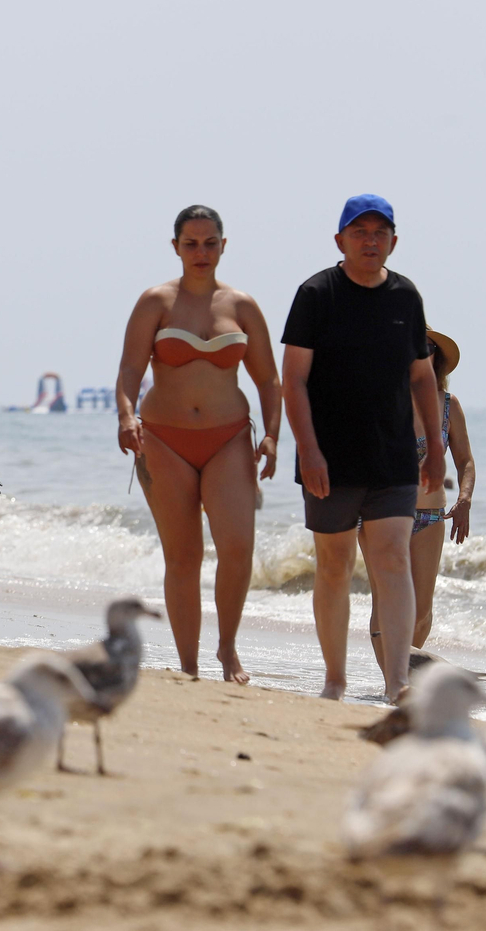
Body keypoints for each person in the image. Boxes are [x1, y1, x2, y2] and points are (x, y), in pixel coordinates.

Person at [282, 194, 443, 704]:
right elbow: (294, 381)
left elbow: (422, 376)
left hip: (394, 456)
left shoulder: (406, 297)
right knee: (333, 565)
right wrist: (308, 451)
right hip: (328, 457)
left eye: (380, 233)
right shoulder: (316, 294)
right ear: (340, 241)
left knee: (392, 559)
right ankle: (334, 679)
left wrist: (436, 448)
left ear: (393, 241)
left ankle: (397, 683)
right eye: (360, 232)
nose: (370, 241)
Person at [115, 206, 282, 685]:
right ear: (176, 248)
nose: (201, 252)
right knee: (183, 556)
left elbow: (269, 380)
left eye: (210, 243)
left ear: (224, 246)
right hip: (163, 439)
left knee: (237, 547)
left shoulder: (242, 306)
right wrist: (126, 415)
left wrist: (271, 434)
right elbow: (129, 369)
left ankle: (227, 648)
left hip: (228, 436)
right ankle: (188, 666)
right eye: (191, 243)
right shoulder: (156, 301)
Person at [360, 327, 476, 657]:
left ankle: (404, 669)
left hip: (429, 515)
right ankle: (392, 683)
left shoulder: (449, 407)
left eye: (425, 347)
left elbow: (466, 460)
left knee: (421, 612)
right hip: (379, 514)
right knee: (385, 600)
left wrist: (464, 498)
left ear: (436, 357)